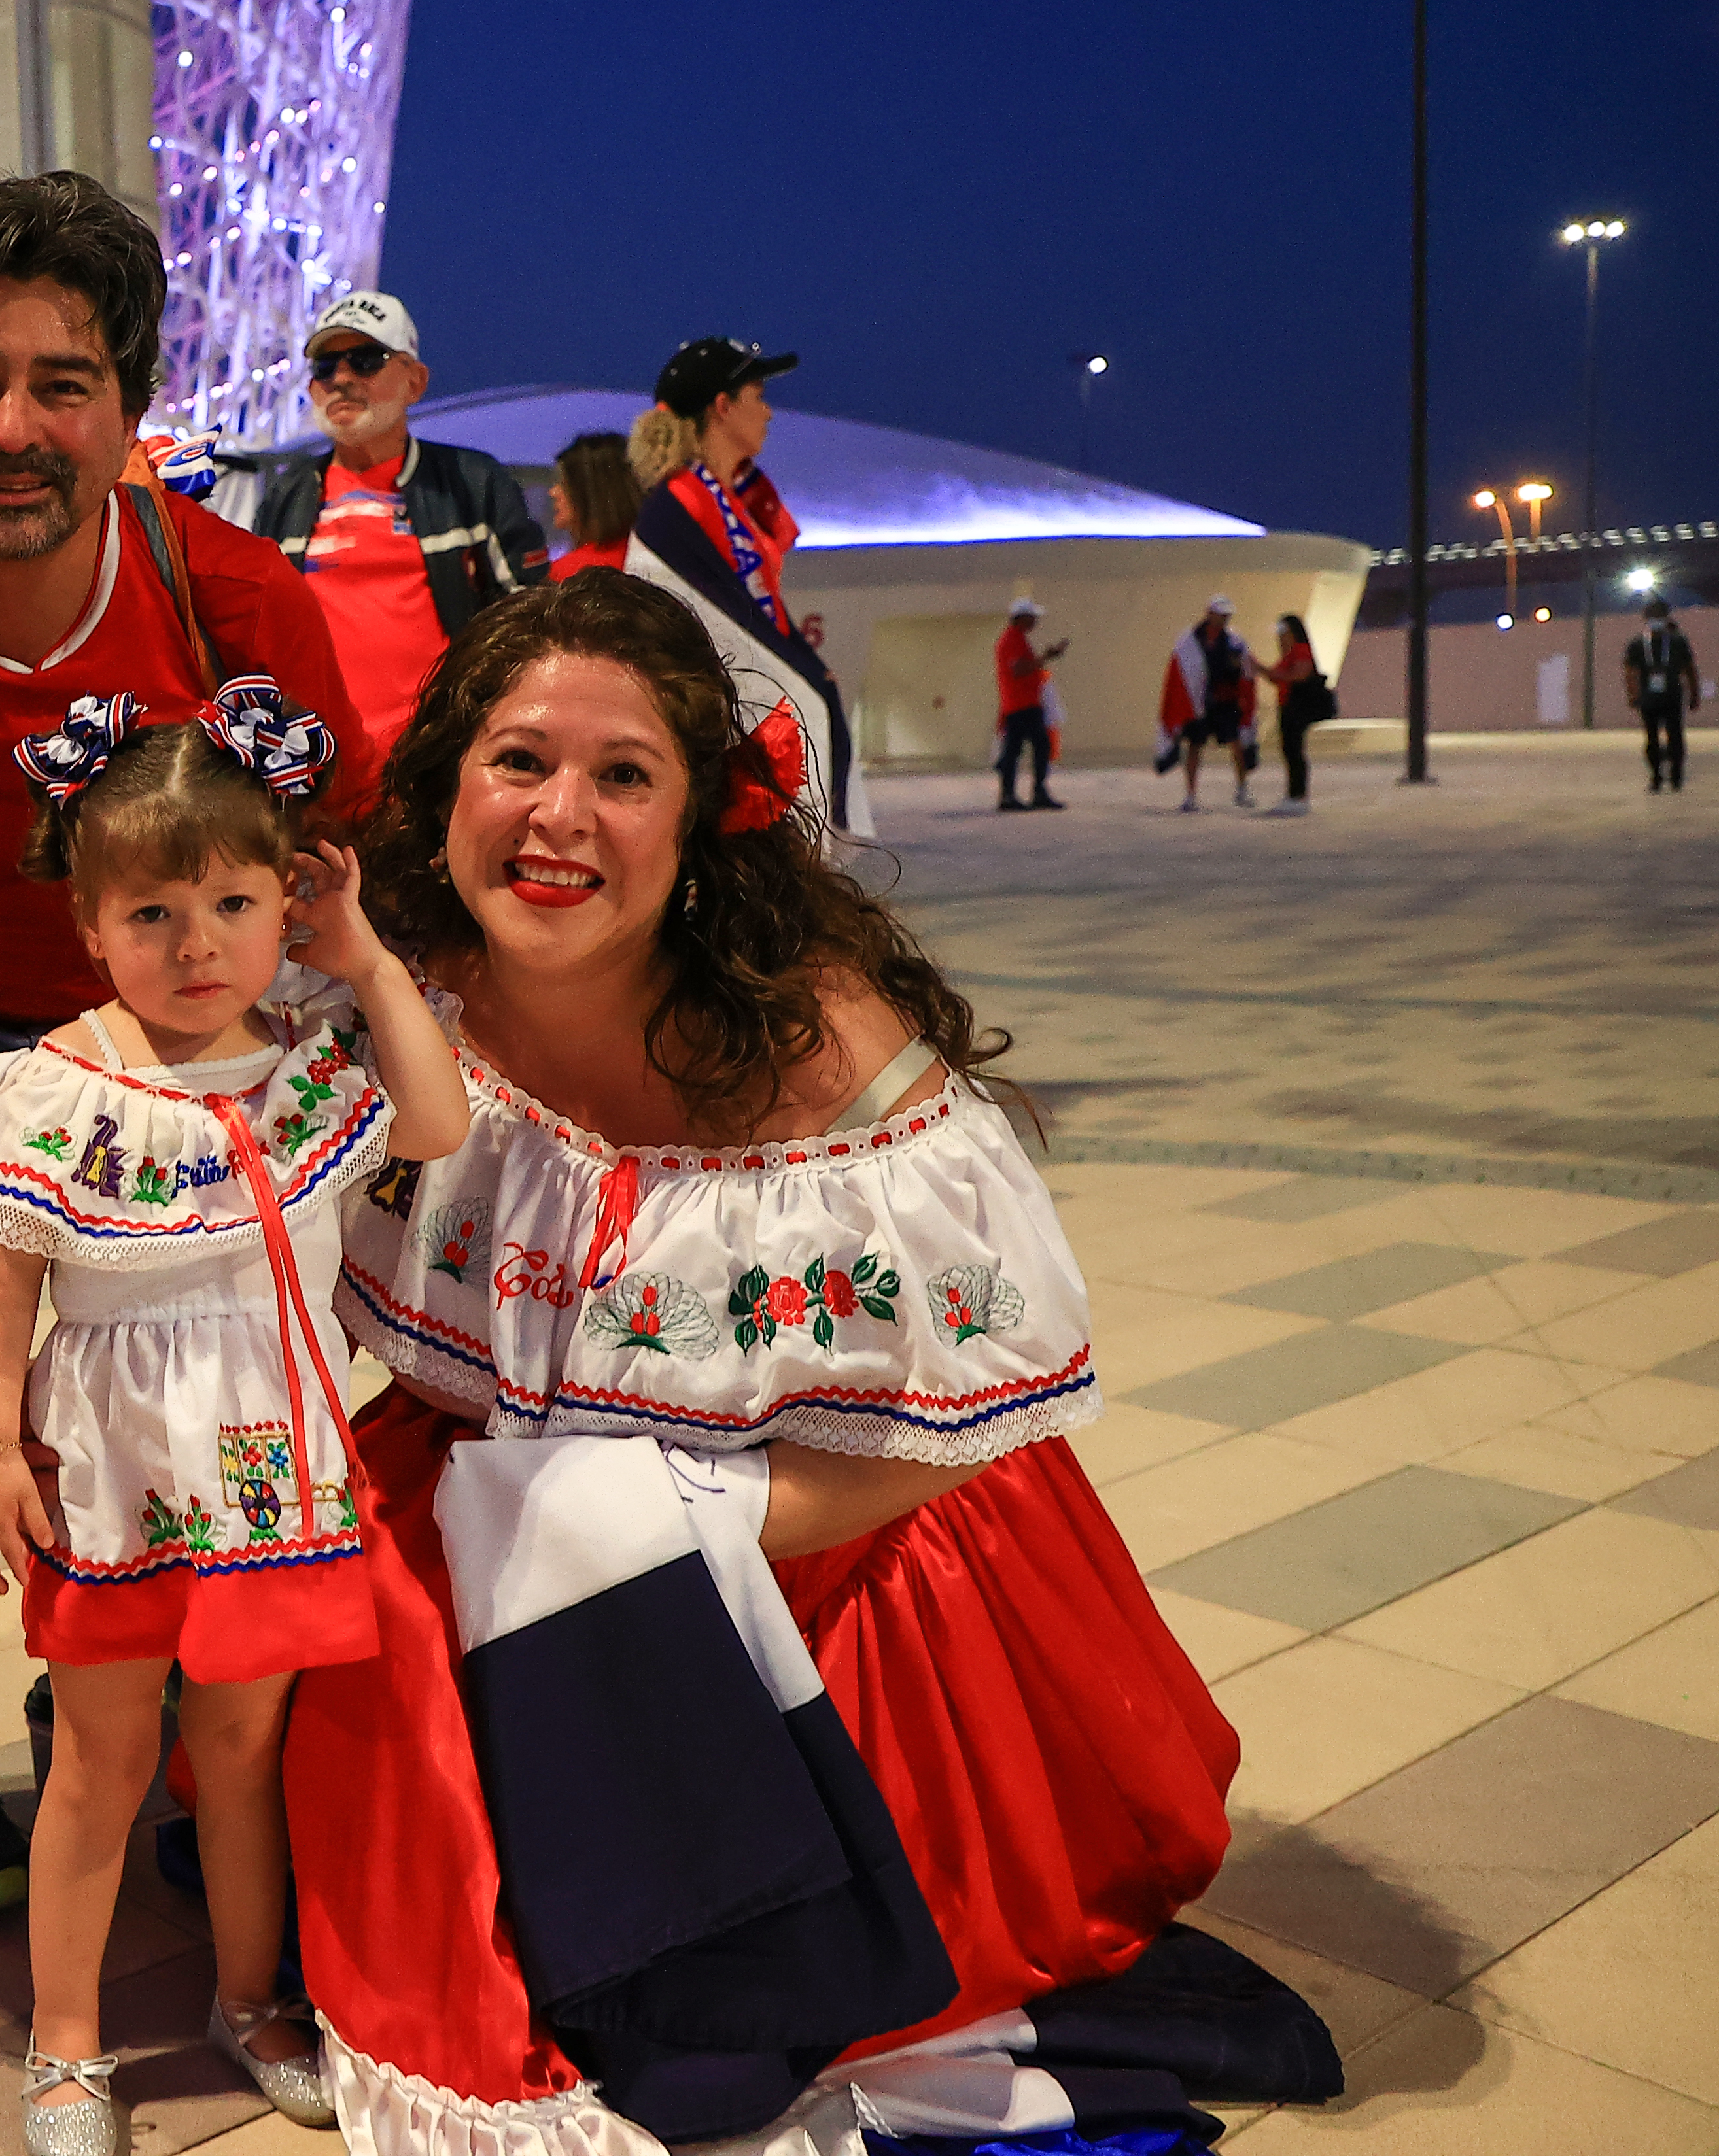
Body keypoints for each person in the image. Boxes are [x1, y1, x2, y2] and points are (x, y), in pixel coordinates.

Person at [285, 574, 1313, 2153]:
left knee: (772, 1947)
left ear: (702, 824)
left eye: (624, 776)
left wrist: (663, 1532)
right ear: (449, 785)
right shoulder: (399, 982)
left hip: (830, 1519)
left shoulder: (815, 1040)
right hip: (499, 1482)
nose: (561, 818)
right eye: (519, 761)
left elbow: (961, 1421)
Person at [0, 165, 370, 1926]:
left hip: (150, 1004)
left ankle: (131, 1650)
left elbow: (331, 852)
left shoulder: (239, 603)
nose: (15, 426)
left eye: (65, 382)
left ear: (135, 408)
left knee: (201, 1294)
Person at [0, 688, 468, 2151]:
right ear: (89, 920)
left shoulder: (307, 1063)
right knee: (98, 1760)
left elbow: (442, 1121)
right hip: (108, 1474)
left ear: (291, 899)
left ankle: (245, 1990)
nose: (198, 941)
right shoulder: (52, 1089)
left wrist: (364, 957)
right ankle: (69, 2038)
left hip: (270, 1466)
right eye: (153, 909)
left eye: (235, 899)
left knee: (239, 1746)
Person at [248, 289, 545, 752]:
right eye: (326, 367)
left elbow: (535, 619)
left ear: (416, 381)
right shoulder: (286, 495)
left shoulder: (473, 482)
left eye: (366, 359)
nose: (342, 378)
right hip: (311, 766)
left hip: (433, 761)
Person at [624, 336, 865, 838]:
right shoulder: (676, 509)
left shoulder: (726, 504)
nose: (770, 413)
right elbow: (711, 627)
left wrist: (813, 673)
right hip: (733, 757)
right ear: (723, 407)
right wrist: (805, 680)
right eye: (758, 395)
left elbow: (756, 608)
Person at [1158, 594, 1256, 812]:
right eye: (1220, 615)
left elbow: (1245, 671)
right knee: (1195, 746)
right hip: (1198, 703)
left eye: (1226, 615)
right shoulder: (1189, 641)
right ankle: (1191, 795)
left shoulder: (1235, 640)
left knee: (1236, 744)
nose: (1223, 619)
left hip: (1225, 700)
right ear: (1210, 613)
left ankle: (1242, 789)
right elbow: (1182, 671)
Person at [993, 594, 1069, 811]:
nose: (1036, 621)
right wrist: (1044, 657)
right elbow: (1019, 669)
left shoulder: (1014, 639)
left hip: (1020, 703)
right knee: (1039, 745)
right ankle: (1035, 793)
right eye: (1033, 617)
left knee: (1016, 749)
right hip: (1022, 703)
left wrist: (1046, 658)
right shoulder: (1012, 640)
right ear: (1021, 618)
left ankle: (1011, 795)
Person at [1256, 611, 1329, 815]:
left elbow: (1299, 675)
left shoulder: (1301, 651)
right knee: (1289, 750)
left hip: (1297, 706)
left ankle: (1299, 796)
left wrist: (1264, 669)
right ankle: (1293, 794)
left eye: (1283, 632)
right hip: (1287, 706)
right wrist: (1264, 670)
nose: (1280, 637)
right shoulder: (1289, 654)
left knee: (1295, 751)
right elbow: (1277, 677)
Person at [1627, 593, 1699, 793]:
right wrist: (1633, 695)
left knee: (1675, 736)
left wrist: (1695, 695)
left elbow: (1690, 669)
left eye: (1659, 615)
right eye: (1652, 616)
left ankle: (1676, 775)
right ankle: (1656, 776)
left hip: (1673, 696)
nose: (1656, 620)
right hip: (1648, 698)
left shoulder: (1677, 641)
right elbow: (1631, 672)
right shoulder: (1638, 644)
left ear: (1667, 617)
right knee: (1651, 738)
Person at [543, 430, 636, 581]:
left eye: (563, 483)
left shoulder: (567, 575)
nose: (553, 492)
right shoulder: (654, 557)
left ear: (590, 493)